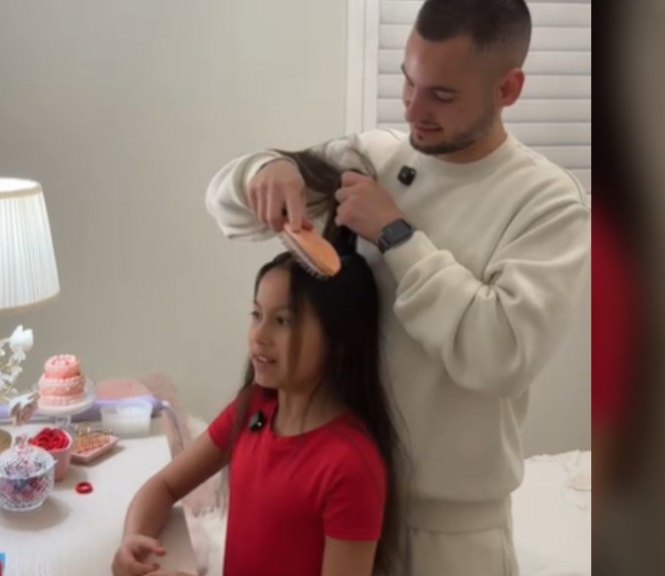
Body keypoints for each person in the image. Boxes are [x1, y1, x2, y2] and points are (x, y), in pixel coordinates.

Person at [204, 0, 591, 573]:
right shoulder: (375, 158)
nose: (414, 109)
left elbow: (501, 354)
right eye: (408, 82)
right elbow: (229, 210)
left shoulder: (548, 203)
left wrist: (395, 235)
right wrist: (263, 170)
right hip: (339, 505)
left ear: (508, 89)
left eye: (443, 94)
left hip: (453, 535)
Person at [112, 159, 404, 576]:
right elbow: (163, 487)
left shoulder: (350, 466)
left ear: (339, 340)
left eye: (283, 321)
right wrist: (132, 541)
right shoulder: (254, 408)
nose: (259, 336)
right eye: (256, 315)